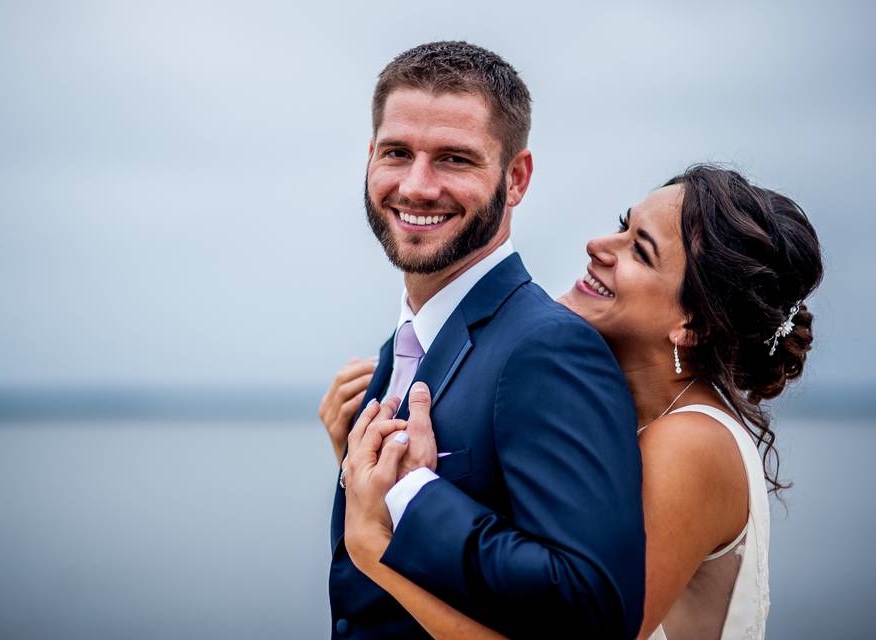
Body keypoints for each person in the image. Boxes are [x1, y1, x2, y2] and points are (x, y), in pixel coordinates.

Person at [324, 165, 823, 639]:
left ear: (692, 326)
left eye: (639, 250)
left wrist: (375, 548)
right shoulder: (608, 417)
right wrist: (368, 463)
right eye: (622, 226)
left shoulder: (689, 442)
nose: (599, 245)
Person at [326, 41, 646, 639]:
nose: (417, 187)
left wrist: (413, 495)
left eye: (454, 159)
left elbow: (592, 605)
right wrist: (355, 469)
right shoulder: (402, 346)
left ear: (516, 177)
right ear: (371, 158)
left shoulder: (547, 348)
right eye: (397, 153)